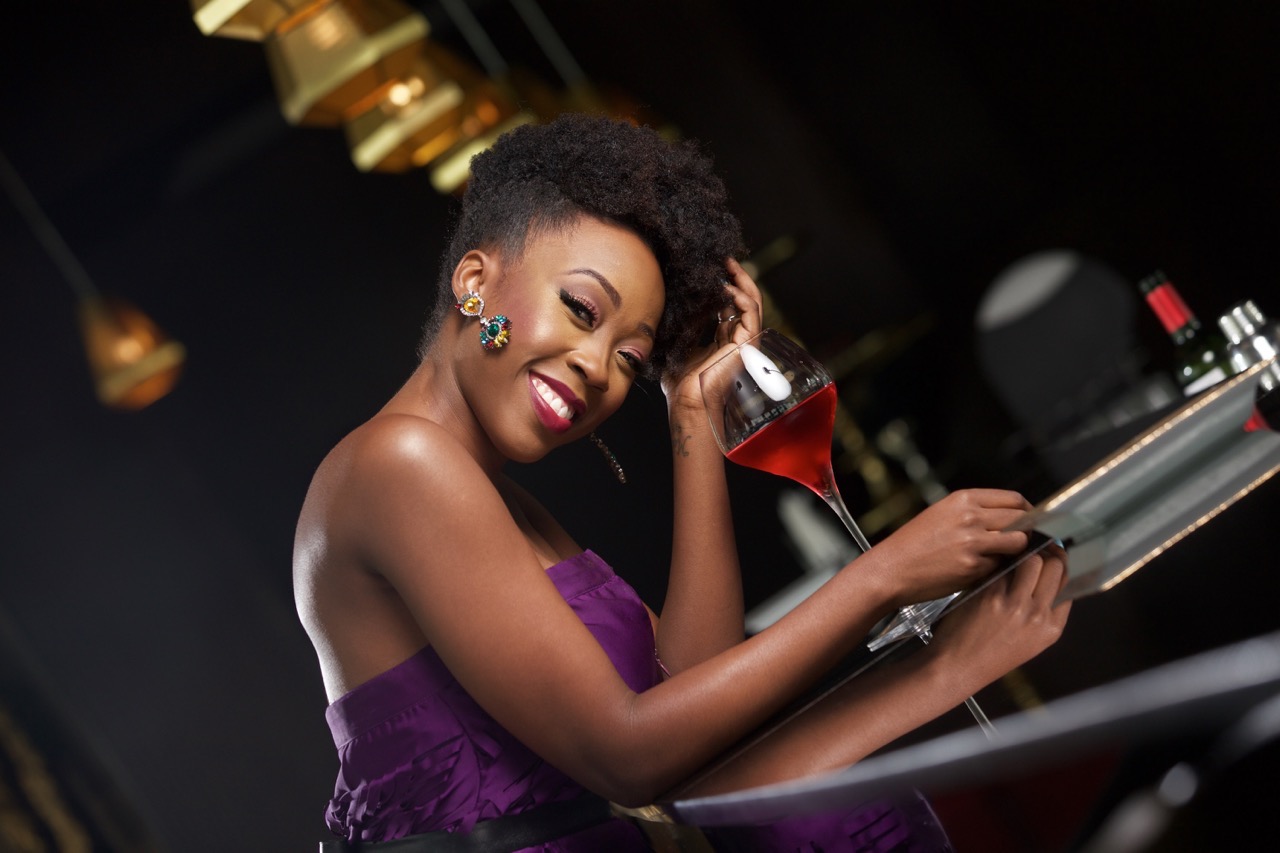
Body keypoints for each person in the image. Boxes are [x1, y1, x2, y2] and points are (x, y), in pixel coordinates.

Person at [293, 112, 1072, 852]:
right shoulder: (400, 463)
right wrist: (883, 578)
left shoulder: (502, 504)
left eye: (630, 359)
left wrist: (690, 409)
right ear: (475, 282)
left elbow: (691, 722)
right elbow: (628, 756)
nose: (596, 367)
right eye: (581, 308)